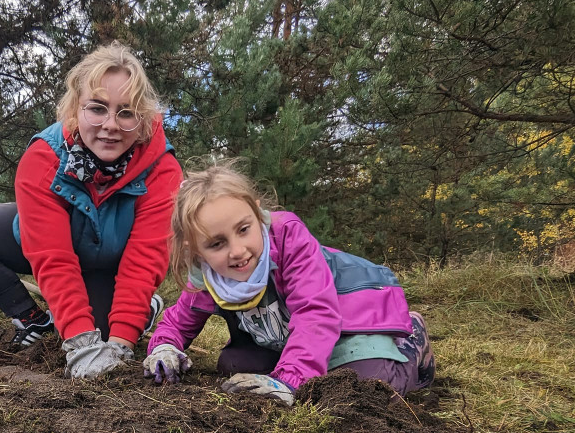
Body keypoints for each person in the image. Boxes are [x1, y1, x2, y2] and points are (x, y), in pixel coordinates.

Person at [0, 42, 182, 378]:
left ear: (142, 120)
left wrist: (122, 341)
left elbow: (143, 261)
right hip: (52, 244)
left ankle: (142, 312)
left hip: (112, 264)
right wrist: (81, 345)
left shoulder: (161, 169)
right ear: (74, 110)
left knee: (106, 332)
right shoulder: (44, 157)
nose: (111, 124)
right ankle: (34, 318)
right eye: (97, 108)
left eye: (126, 112)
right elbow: (53, 258)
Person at [143, 164, 435, 405]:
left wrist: (289, 381)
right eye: (217, 243)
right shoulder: (207, 274)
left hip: (350, 319)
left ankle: (412, 346)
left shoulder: (289, 239)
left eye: (244, 230)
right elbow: (179, 321)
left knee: (364, 388)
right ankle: (302, 366)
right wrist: (164, 349)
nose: (237, 251)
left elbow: (315, 314)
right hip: (286, 335)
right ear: (195, 250)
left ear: (257, 215)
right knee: (233, 367)